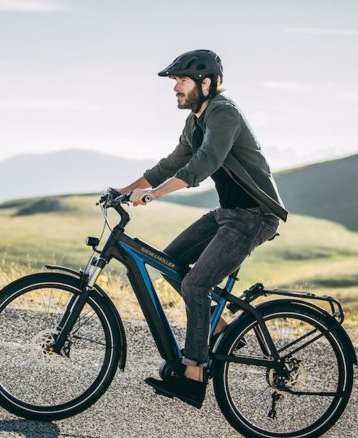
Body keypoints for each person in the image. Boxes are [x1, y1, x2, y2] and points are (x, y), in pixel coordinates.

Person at [116, 49, 288, 408]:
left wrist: (154, 196)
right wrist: (125, 190)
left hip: (254, 216)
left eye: (181, 80)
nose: (175, 87)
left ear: (206, 83)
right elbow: (174, 161)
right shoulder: (196, 119)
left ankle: (194, 374)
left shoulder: (224, 113)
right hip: (229, 212)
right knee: (169, 262)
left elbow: (205, 161)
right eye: (175, 81)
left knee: (196, 283)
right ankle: (221, 327)